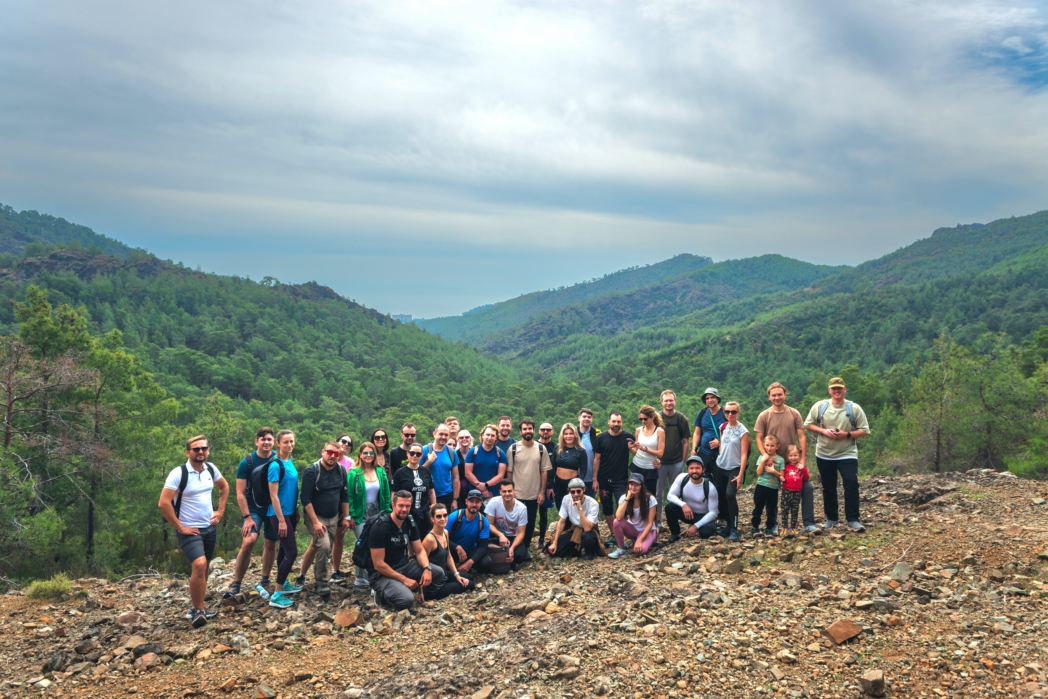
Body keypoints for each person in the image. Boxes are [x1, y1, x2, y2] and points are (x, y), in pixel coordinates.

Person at [159, 435, 229, 628]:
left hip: (209, 526)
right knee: (199, 565)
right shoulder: (178, 473)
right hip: (189, 530)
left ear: (208, 450)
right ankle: (198, 610)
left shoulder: (210, 469)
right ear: (187, 452)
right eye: (196, 449)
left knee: (204, 567)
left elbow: (224, 487)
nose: (200, 452)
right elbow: (163, 503)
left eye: (203, 448)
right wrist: (180, 527)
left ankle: (197, 605)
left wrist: (220, 511)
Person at [804, 376, 871, 532]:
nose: (837, 391)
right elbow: (808, 424)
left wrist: (846, 434)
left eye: (839, 388)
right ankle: (832, 518)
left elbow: (865, 431)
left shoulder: (854, 408)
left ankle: (853, 519)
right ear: (829, 390)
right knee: (828, 486)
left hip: (847, 452)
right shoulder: (820, 406)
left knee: (851, 483)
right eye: (834, 388)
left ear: (844, 389)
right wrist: (824, 431)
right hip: (824, 453)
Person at [367, 490, 445, 611]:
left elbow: (419, 551)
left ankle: (399, 587)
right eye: (401, 505)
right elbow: (378, 565)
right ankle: (383, 592)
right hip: (381, 574)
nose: (404, 509)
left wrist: (426, 568)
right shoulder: (380, 526)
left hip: (403, 566)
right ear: (393, 505)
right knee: (407, 601)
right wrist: (404, 579)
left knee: (438, 572)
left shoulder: (409, 521)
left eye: (407, 506)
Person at [754, 382, 816, 533]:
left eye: (779, 394)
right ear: (769, 397)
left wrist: (802, 459)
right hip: (773, 460)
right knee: (771, 492)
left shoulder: (794, 413)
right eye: (774, 395)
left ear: (785, 395)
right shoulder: (764, 415)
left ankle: (808, 523)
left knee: (807, 487)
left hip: (791, 460)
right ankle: (773, 524)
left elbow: (801, 436)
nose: (777, 397)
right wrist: (765, 456)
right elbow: (758, 438)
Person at [226, 427, 277, 601]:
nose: (266, 442)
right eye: (263, 439)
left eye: (269, 439)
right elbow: (240, 492)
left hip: (273, 508)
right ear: (256, 442)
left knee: (270, 543)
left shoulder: (278, 458)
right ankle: (236, 583)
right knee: (249, 541)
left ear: (273, 441)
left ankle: (265, 579)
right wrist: (247, 517)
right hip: (253, 508)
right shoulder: (247, 462)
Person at [297, 443, 350, 598]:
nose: (333, 456)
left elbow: (344, 495)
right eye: (330, 452)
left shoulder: (341, 470)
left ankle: (301, 574)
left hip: (333, 516)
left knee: (319, 545)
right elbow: (305, 498)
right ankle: (321, 582)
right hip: (316, 516)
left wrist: (346, 516)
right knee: (325, 546)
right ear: (323, 452)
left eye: (336, 453)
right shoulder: (312, 471)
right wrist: (315, 522)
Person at [347, 441, 393, 587]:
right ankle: (373, 578)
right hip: (360, 512)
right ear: (360, 454)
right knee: (364, 542)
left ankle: (361, 576)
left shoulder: (380, 471)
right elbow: (348, 496)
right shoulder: (353, 473)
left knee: (375, 542)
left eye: (371, 453)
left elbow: (385, 494)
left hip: (378, 511)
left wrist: (388, 512)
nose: (368, 455)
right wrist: (351, 515)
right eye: (365, 453)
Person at [505, 419, 551, 552]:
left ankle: (525, 547)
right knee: (514, 521)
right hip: (517, 493)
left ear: (533, 430)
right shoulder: (513, 449)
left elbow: (544, 471)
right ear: (520, 431)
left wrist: (542, 491)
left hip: (534, 492)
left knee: (531, 521)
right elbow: (509, 471)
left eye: (529, 428)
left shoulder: (541, 449)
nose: (527, 431)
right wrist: (511, 491)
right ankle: (515, 547)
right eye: (524, 429)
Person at [266, 429, 300, 609]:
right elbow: (273, 496)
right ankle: (277, 594)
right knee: (292, 552)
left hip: (290, 512)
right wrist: (280, 520)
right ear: (278, 443)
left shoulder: (289, 461)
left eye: (292, 441)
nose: (289, 445)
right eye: (286, 442)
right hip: (279, 514)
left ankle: (284, 582)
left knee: (284, 549)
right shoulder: (275, 465)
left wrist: (295, 510)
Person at [592, 411, 635, 541]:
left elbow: (637, 453)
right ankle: (613, 533)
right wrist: (595, 479)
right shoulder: (601, 438)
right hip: (603, 479)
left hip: (620, 479)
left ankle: (624, 531)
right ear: (609, 422)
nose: (616, 424)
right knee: (607, 507)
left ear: (621, 422)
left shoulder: (628, 437)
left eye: (619, 422)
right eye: (614, 421)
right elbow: (596, 459)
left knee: (623, 504)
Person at [421, 503, 476, 600]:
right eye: (438, 516)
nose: (443, 519)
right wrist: (420, 591)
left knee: (470, 577)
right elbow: (420, 565)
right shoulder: (429, 539)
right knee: (470, 584)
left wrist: (457, 575)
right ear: (432, 519)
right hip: (435, 587)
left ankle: (452, 580)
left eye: (445, 515)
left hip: (444, 576)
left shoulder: (445, 533)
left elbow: (449, 557)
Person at [447, 490, 509, 574]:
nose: (474, 505)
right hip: (453, 549)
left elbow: (483, 547)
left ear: (481, 503)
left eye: (477, 502)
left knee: (486, 562)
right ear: (466, 502)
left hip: (470, 549)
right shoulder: (454, 516)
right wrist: (457, 547)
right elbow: (442, 538)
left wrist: (470, 562)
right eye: (471, 501)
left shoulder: (483, 521)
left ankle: (468, 567)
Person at [714, 401, 749, 542]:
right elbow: (722, 444)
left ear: (738, 413)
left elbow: (744, 454)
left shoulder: (743, 431)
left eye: (733, 412)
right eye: (727, 412)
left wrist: (740, 474)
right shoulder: (722, 426)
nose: (730, 414)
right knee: (721, 495)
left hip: (734, 467)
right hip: (720, 465)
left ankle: (734, 528)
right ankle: (728, 525)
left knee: (730, 495)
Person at [665, 456, 719, 541]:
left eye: (697, 468)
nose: (694, 471)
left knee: (706, 533)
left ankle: (705, 525)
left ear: (703, 469)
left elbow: (713, 512)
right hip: (687, 513)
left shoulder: (710, 487)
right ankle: (675, 534)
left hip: (703, 515)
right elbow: (670, 495)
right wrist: (683, 504)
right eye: (691, 468)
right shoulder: (682, 478)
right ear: (688, 469)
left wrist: (696, 526)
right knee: (670, 507)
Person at [656, 390, 691, 525]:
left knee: (677, 493)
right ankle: (658, 519)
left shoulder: (681, 419)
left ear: (675, 401)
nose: (669, 403)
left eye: (671, 400)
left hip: (676, 461)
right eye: (666, 400)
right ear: (661, 402)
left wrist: (683, 461)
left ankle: (676, 519)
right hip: (660, 462)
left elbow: (686, 441)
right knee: (658, 493)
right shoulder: (657, 418)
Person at [547, 478, 601, 559]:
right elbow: (561, 522)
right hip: (575, 529)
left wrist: (579, 508)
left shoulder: (593, 503)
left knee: (586, 536)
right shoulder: (566, 499)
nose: (576, 494)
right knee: (557, 551)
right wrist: (555, 542)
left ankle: (590, 552)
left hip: (589, 531)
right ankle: (576, 551)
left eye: (578, 491)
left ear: (584, 490)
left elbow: (587, 528)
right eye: (573, 492)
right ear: (569, 492)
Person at [609, 473, 657, 558]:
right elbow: (619, 517)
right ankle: (621, 549)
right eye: (631, 484)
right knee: (616, 522)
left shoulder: (650, 499)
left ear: (641, 486)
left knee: (640, 551)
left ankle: (647, 539)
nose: (633, 487)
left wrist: (640, 540)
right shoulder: (624, 497)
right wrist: (627, 499)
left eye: (637, 485)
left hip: (647, 530)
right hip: (633, 529)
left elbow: (650, 523)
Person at [391, 444, 435, 537]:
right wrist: (394, 510)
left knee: (425, 537)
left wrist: (434, 508)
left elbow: (431, 491)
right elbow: (394, 493)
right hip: (406, 512)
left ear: (421, 456)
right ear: (407, 454)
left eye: (418, 454)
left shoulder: (426, 471)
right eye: (412, 453)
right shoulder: (400, 472)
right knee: (407, 538)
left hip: (424, 512)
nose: (415, 456)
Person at [485, 480, 532, 566]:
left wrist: (512, 548)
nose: (507, 494)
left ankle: (505, 557)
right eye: (504, 491)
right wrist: (500, 535)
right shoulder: (493, 502)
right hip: (497, 535)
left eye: (509, 491)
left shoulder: (522, 508)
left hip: (514, 536)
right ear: (500, 492)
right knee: (485, 548)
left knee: (519, 556)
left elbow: (521, 533)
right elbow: (489, 524)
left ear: (514, 491)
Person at [422, 423, 461, 512]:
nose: (443, 437)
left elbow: (455, 477)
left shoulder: (451, 452)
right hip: (427, 496)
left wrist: (455, 500)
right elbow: (417, 472)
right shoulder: (424, 450)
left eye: (446, 435)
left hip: (447, 495)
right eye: (441, 434)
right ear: (434, 434)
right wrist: (429, 462)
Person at [629, 405, 664, 502]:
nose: (643, 421)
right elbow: (636, 452)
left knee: (649, 497)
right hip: (637, 465)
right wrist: (630, 447)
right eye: (641, 419)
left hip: (650, 468)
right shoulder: (638, 430)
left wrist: (645, 449)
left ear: (652, 417)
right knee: (634, 495)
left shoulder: (659, 431)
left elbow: (660, 453)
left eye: (645, 419)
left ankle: (651, 516)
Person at [752, 435, 783, 537]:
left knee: (771, 509)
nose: (769, 448)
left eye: (772, 446)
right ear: (764, 446)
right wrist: (762, 461)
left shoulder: (780, 460)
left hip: (773, 488)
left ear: (777, 446)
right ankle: (755, 527)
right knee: (758, 507)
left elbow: (782, 476)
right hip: (760, 486)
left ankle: (769, 528)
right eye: (767, 445)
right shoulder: (761, 457)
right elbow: (759, 472)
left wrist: (773, 471)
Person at [464, 425, 507, 499]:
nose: (489, 438)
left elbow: (501, 475)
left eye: (492, 435)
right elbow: (468, 473)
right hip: (475, 493)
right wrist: (482, 488)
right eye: (487, 435)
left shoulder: (500, 453)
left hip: (494, 494)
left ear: (496, 437)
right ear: (482, 435)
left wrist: (486, 485)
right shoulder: (473, 451)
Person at [551, 423, 587, 510]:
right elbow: (552, 468)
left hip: (573, 484)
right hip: (558, 484)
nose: (568, 436)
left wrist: (576, 487)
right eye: (566, 434)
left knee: (572, 509)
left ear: (575, 435)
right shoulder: (557, 448)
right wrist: (549, 486)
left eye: (571, 433)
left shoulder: (581, 451)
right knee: (561, 508)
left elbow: (583, 470)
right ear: (562, 435)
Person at [691, 387, 727, 472]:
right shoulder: (702, 413)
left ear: (717, 399)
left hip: (720, 455)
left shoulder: (725, 413)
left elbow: (731, 433)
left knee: (718, 482)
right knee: (703, 480)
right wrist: (694, 449)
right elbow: (697, 433)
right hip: (703, 454)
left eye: (712, 397)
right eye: (707, 398)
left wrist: (720, 442)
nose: (710, 400)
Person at [780, 445, 810, 535]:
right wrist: (781, 477)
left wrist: (803, 469)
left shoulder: (801, 466)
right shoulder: (785, 466)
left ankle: (793, 527)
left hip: (797, 492)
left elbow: (806, 478)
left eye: (795, 455)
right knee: (784, 510)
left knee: (794, 510)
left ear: (799, 456)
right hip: (786, 490)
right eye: (791, 456)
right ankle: (784, 527)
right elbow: (781, 475)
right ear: (787, 456)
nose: (793, 458)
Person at [536, 423, 558, 545]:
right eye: (543, 429)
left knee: (543, 513)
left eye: (548, 430)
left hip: (548, 485)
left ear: (552, 431)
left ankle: (541, 539)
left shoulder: (555, 447)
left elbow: (555, 468)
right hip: (531, 483)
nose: (545, 432)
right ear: (539, 431)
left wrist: (550, 486)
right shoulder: (533, 444)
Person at [577, 409, 600, 497]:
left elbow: (599, 457)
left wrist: (595, 479)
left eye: (589, 417)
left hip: (591, 479)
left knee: (590, 507)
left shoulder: (597, 434)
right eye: (584, 416)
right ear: (579, 418)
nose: (586, 419)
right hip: (575, 478)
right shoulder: (573, 434)